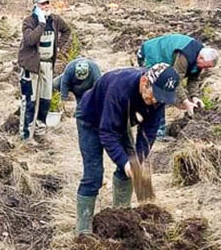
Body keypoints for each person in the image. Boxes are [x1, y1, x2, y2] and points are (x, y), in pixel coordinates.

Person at [74, 64, 180, 234]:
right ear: (144, 81)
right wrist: (125, 163)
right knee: (93, 175)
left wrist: (137, 161)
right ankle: (82, 231)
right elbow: (107, 133)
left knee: (131, 166)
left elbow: (149, 132)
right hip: (90, 119)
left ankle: (120, 217)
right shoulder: (120, 88)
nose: (155, 101)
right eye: (154, 95)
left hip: (120, 121)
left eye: (161, 98)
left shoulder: (159, 98)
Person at [136, 33, 219, 140]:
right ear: (201, 58)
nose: (206, 70)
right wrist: (185, 101)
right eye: (207, 66)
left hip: (164, 62)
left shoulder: (198, 59)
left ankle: (155, 129)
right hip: (150, 55)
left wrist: (195, 97)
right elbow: (174, 81)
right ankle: (155, 131)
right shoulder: (184, 57)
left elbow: (193, 79)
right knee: (156, 92)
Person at [18, 0, 73, 140]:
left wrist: (59, 48)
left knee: (45, 99)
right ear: (35, 6)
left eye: (47, 3)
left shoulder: (55, 20)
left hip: (47, 65)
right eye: (43, 4)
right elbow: (30, 40)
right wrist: (41, 23)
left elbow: (67, 31)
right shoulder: (29, 21)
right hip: (31, 66)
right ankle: (25, 135)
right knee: (30, 100)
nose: (46, 6)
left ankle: (40, 130)